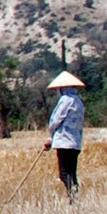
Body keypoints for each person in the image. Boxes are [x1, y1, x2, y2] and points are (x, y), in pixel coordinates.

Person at [44, 70, 86, 202]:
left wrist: (50, 136)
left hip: (64, 141)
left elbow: (56, 120)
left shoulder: (65, 100)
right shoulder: (79, 101)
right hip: (76, 142)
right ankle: (74, 195)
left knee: (64, 173)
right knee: (72, 172)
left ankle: (73, 195)